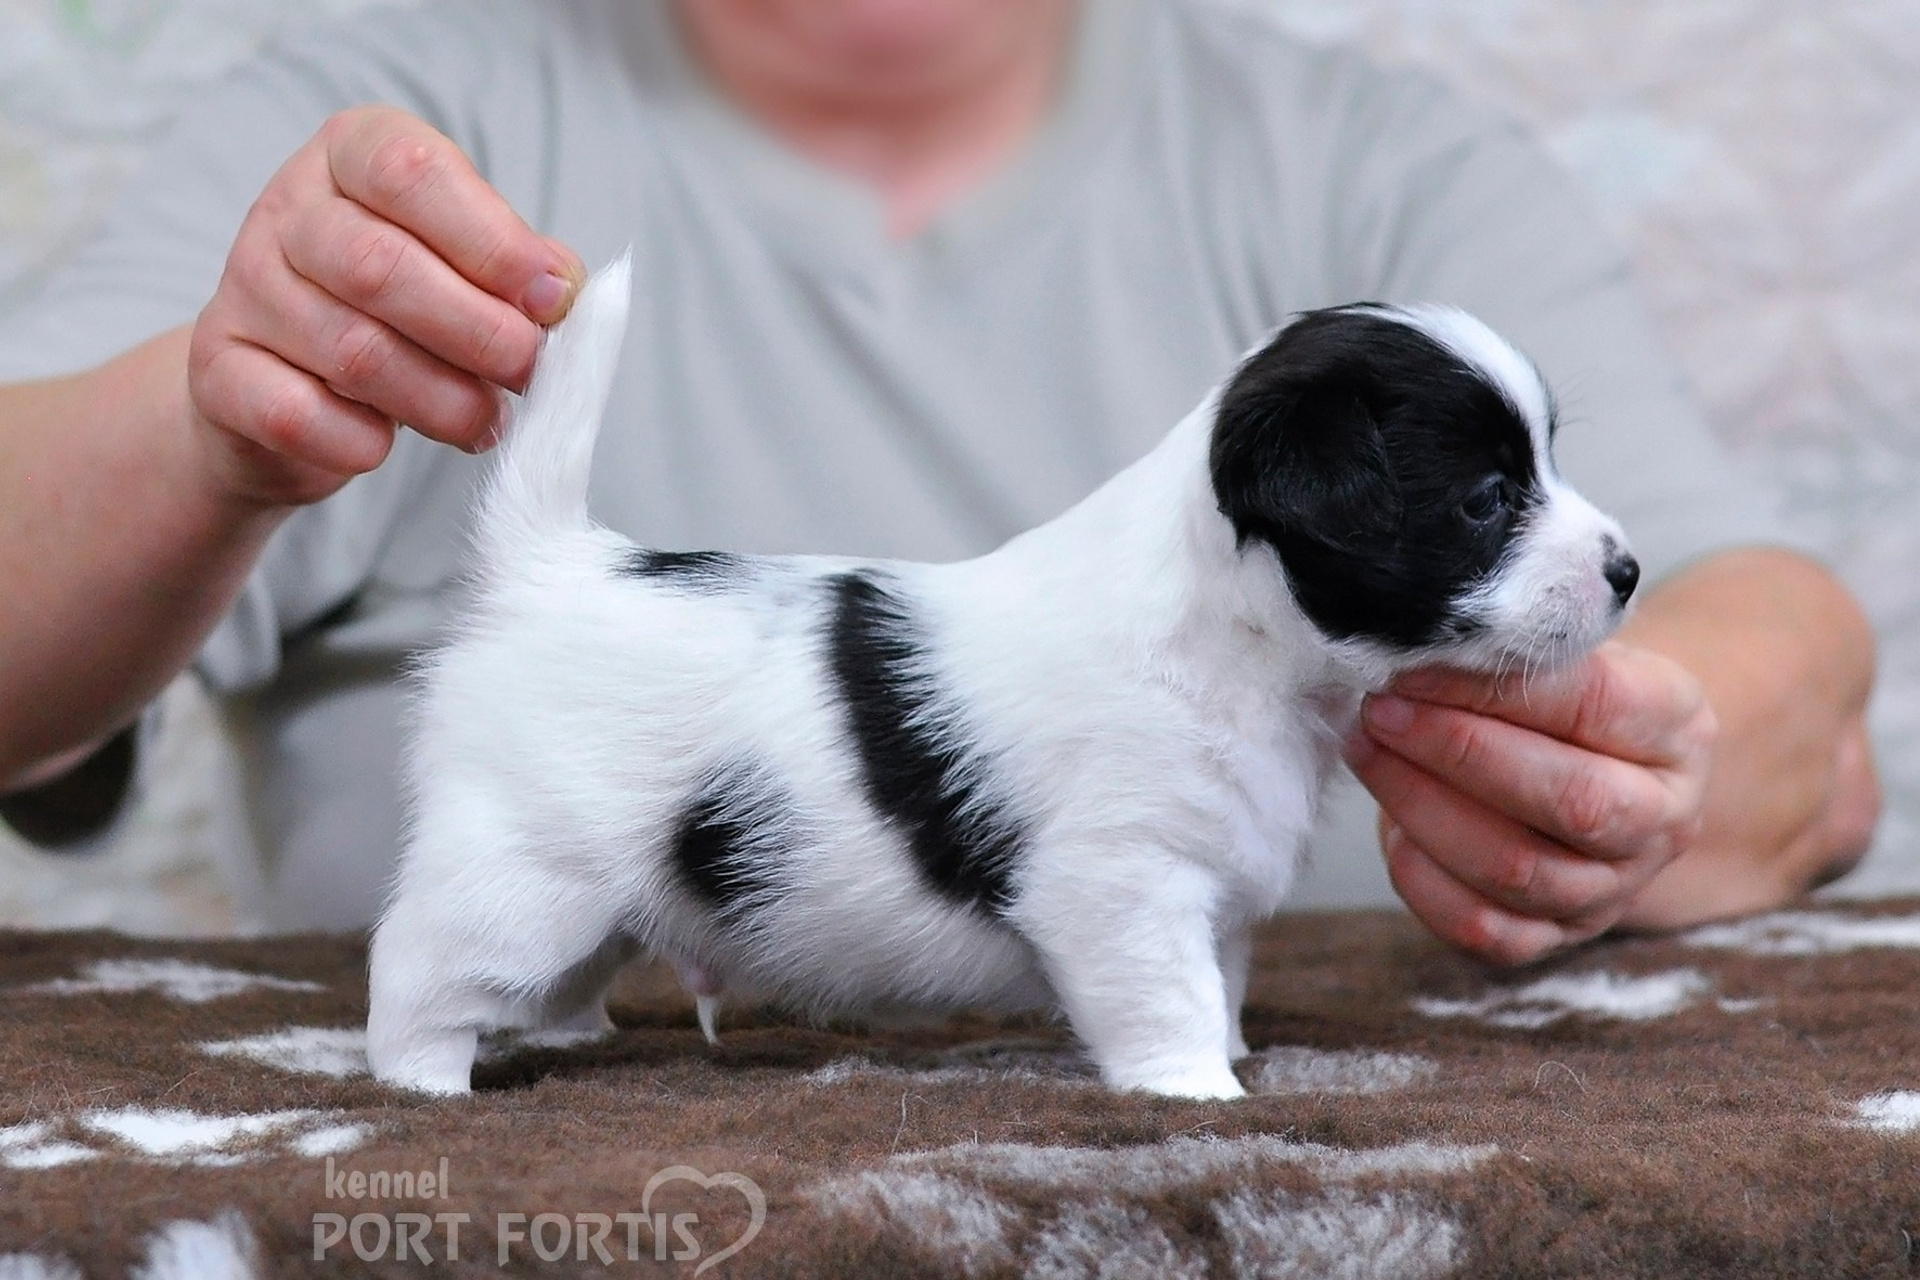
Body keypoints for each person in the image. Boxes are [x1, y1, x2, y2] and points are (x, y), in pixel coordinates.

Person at [0, 0, 1880, 957]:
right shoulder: (395, 113)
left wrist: (1664, 766)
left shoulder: (1373, 164)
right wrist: (204, 425)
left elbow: (1782, 655)